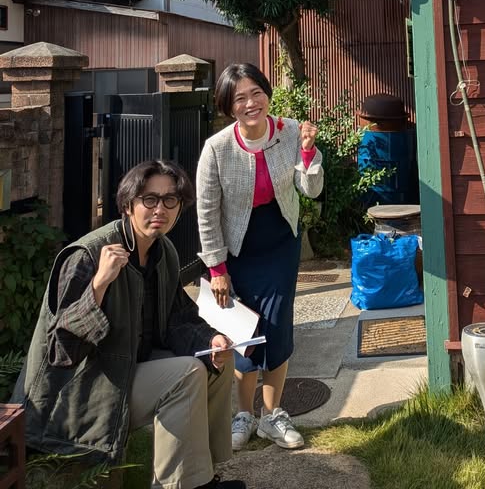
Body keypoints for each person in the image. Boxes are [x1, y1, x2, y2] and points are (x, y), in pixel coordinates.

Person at [13, 159, 246, 489]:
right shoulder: (88, 255)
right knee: (187, 374)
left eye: (170, 200)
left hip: (128, 366)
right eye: (149, 199)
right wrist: (100, 284)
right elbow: (61, 350)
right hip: (79, 389)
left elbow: (178, 319)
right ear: (127, 204)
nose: (159, 209)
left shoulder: (163, 251)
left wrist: (211, 339)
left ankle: (200, 473)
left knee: (216, 362)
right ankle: (177, 485)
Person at [196, 62, 323, 452]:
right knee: (243, 332)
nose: (251, 103)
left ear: (267, 94)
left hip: (280, 240)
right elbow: (206, 210)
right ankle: (244, 414)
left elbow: (311, 189)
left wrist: (307, 152)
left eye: (256, 93)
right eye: (240, 98)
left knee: (278, 325)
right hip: (238, 248)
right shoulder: (217, 148)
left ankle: (272, 416)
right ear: (228, 106)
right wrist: (217, 268)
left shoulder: (287, 131)